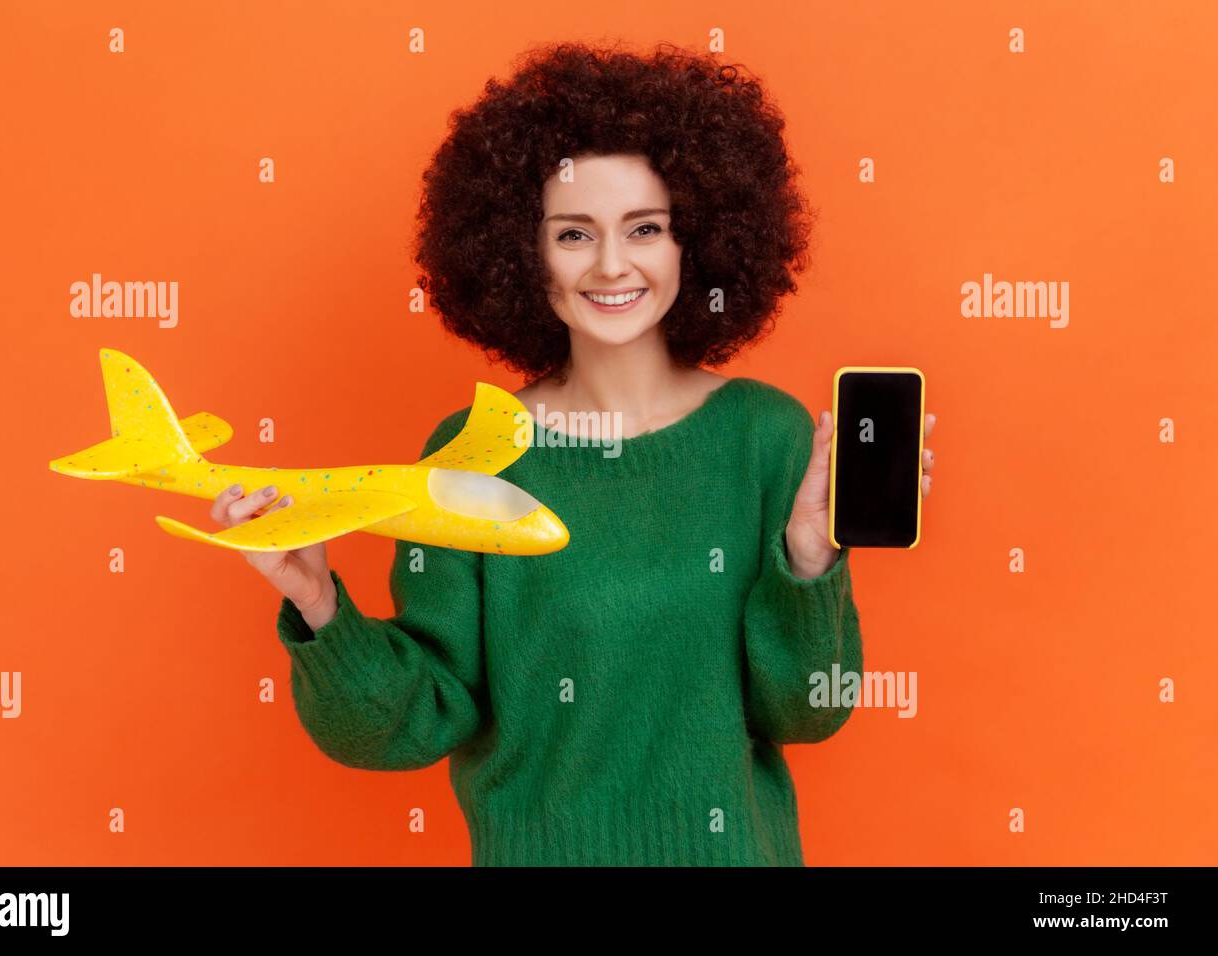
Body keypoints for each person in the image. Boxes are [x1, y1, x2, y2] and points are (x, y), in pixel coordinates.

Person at [212, 41, 938, 866]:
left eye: (646, 228)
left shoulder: (767, 439)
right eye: (572, 233)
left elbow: (808, 712)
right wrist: (320, 608)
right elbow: (412, 722)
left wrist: (809, 561)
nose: (611, 264)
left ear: (695, 243)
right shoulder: (470, 454)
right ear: (524, 253)